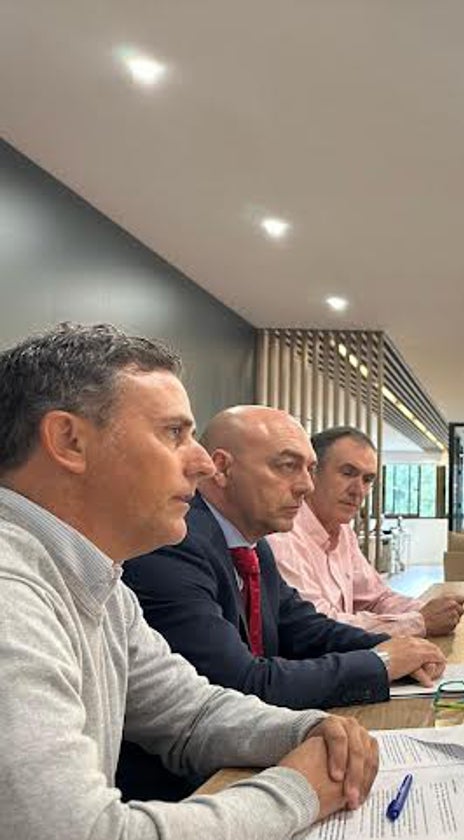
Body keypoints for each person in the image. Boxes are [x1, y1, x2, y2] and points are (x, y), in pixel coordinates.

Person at [0, 323, 378, 839]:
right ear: (70, 441)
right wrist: (301, 789)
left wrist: (309, 729)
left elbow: (190, 712)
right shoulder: (11, 592)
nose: (203, 463)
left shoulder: (99, 582)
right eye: (174, 433)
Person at [118, 406, 445, 801]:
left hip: (241, 758)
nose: (306, 486)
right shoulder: (175, 545)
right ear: (220, 468)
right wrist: (381, 663)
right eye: (288, 467)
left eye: (309, 469)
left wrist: (393, 651)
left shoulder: (252, 544)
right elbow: (241, 683)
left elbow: (305, 628)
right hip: (182, 791)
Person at [268, 425, 464, 636]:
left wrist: (427, 610)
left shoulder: (344, 533)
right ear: (311, 474)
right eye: (347, 473)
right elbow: (319, 626)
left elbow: (377, 598)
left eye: (367, 479)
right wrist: (419, 622)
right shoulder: (282, 536)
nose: (358, 491)